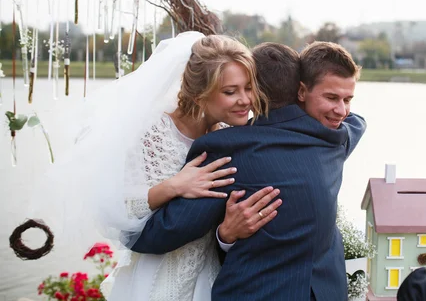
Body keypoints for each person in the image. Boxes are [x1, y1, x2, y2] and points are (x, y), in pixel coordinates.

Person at [38, 32, 281, 301]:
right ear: (200, 94)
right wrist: (172, 186)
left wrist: (228, 233)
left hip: (209, 280)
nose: (246, 100)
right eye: (230, 91)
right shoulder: (152, 132)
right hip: (156, 279)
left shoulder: (227, 135)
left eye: (248, 87)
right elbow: (117, 210)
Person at [130, 41, 366, 301]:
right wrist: (225, 234)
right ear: (300, 90)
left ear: (257, 90)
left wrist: (130, 230)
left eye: (247, 87)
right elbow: (357, 121)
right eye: (232, 90)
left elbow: (163, 233)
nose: (341, 110)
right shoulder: (335, 138)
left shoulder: (228, 151)